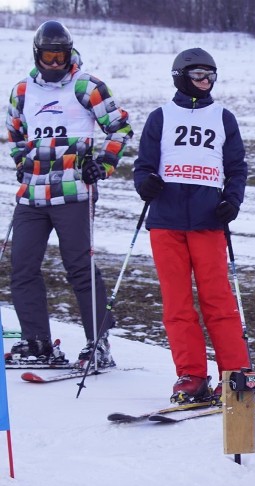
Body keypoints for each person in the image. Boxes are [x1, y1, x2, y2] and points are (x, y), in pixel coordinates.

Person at [4, 20, 132, 368]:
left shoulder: (87, 87)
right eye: (49, 55)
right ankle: (37, 342)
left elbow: (119, 127)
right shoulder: (21, 91)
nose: (55, 62)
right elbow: (15, 131)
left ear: (69, 53)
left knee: (79, 267)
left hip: (75, 191)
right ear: (38, 54)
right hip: (32, 195)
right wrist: (21, 162)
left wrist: (102, 165)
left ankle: (98, 344)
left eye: (60, 55)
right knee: (23, 269)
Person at [132, 48, 248, 403]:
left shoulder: (223, 117)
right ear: (181, 76)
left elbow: (237, 167)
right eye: (198, 75)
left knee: (217, 299)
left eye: (211, 75)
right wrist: (145, 183)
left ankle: (236, 375)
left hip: (207, 221)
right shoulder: (160, 117)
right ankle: (192, 375)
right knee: (177, 303)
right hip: (166, 222)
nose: (205, 81)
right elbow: (143, 164)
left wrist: (233, 199)